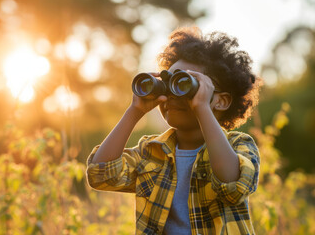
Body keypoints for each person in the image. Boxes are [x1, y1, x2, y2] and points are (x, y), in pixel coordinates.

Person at [86, 26, 261, 235]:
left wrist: (202, 107)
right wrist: (135, 111)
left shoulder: (239, 145)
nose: (172, 95)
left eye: (185, 84)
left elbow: (233, 187)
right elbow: (100, 175)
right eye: (167, 83)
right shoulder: (151, 151)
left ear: (221, 101)